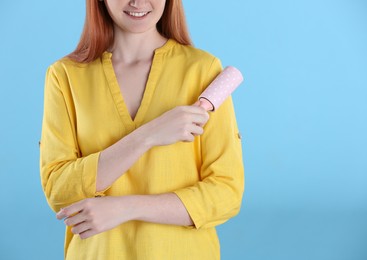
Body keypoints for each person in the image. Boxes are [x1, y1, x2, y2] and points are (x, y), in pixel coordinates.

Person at [40, 0, 244, 259]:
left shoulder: (203, 70)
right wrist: (148, 136)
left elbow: (226, 193)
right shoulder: (65, 76)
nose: (137, 2)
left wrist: (126, 207)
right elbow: (59, 191)